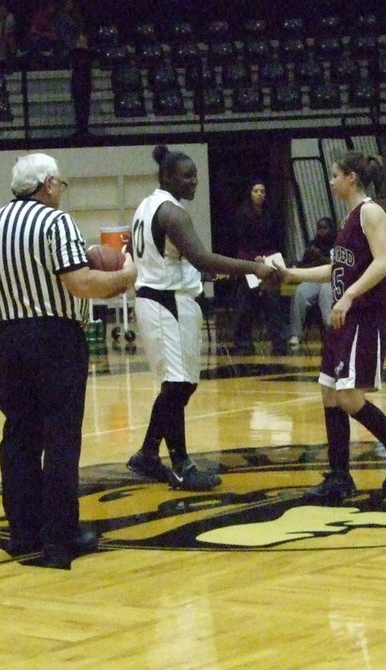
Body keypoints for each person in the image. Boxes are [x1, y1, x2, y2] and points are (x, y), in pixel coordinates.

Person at [0, 153, 136, 569]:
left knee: (18, 436)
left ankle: (22, 532)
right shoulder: (55, 221)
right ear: (46, 184)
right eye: (59, 183)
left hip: (9, 339)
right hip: (55, 338)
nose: (61, 190)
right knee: (60, 437)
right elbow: (80, 283)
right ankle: (61, 536)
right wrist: (126, 276)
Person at [125, 145, 277, 490]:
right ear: (167, 177)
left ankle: (148, 454)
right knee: (178, 385)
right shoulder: (173, 214)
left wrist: (204, 275)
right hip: (166, 303)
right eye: (187, 175)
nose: (194, 181)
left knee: (179, 384)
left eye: (195, 174)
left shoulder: (146, 206)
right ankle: (180, 464)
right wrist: (255, 267)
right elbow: (202, 259)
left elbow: (173, 261)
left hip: (164, 299)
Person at [279, 152, 386, 505]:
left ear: (352, 178)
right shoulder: (348, 219)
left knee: (348, 397)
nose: (331, 181)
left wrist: (348, 298)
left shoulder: (371, 212)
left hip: (363, 316)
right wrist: (292, 274)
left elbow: (384, 263)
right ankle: (340, 476)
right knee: (329, 392)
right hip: (344, 318)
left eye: (335, 175)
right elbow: (336, 269)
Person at [229, 179, 287, 356]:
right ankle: (243, 341)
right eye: (256, 191)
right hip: (249, 259)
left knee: (273, 301)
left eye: (262, 191)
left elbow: (277, 238)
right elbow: (240, 239)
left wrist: (266, 257)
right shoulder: (242, 214)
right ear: (250, 193)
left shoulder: (271, 214)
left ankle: (278, 341)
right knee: (247, 302)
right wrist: (255, 258)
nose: (260, 194)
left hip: (268, 258)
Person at [287, 216, 336, 349]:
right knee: (300, 291)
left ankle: (330, 331)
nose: (320, 231)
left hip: (330, 280)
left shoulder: (337, 243)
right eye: (318, 228)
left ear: (331, 229)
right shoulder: (312, 244)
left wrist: (321, 257)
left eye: (324, 228)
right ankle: (296, 334)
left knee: (325, 294)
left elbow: (336, 266)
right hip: (314, 280)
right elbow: (305, 265)